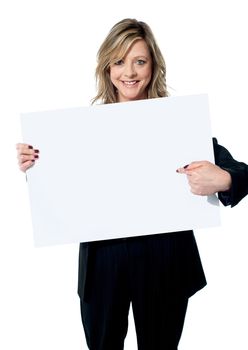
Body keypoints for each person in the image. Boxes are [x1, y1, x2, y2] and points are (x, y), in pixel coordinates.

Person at [16, 18, 248, 350]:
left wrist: (223, 178)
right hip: (103, 264)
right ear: (107, 68)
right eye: (120, 61)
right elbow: (57, 195)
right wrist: (33, 167)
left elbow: (241, 173)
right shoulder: (77, 132)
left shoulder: (179, 123)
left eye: (140, 61)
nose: (130, 71)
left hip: (165, 263)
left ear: (153, 67)